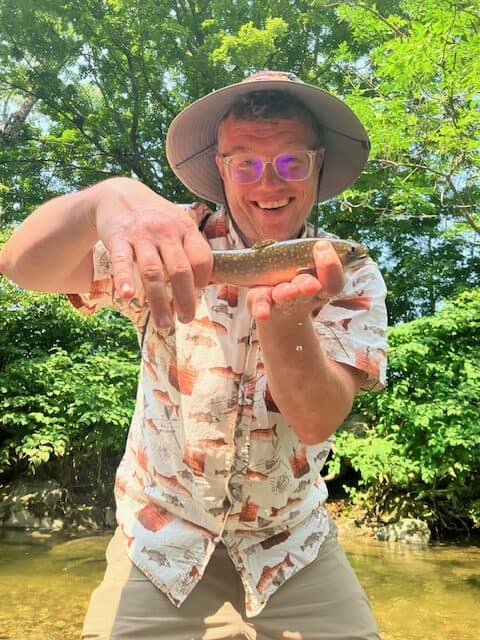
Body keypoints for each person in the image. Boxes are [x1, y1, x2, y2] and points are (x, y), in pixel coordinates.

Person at [0, 70, 387, 639]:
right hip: (159, 543)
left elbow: (315, 419)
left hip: (293, 548)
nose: (269, 182)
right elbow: (21, 266)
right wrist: (103, 199)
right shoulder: (162, 242)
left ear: (318, 164)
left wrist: (285, 321)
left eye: (290, 161)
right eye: (246, 164)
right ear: (221, 169)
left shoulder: (351, 273)